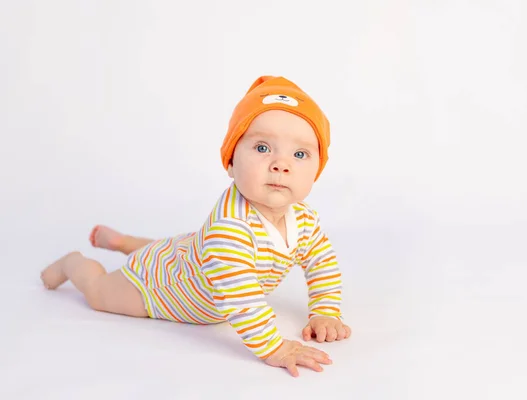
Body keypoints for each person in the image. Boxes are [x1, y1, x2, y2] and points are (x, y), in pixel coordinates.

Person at [41, 75, 351, 377]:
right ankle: (73, 263)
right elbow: (242, 301)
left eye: (300, 154)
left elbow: (321, 261)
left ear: (316, 172)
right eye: (262, 148)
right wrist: (275, 348)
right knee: (99, 294)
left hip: (189, 252)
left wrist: (325, 310)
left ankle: (125, 242)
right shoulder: (229, 230)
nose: (281, 164)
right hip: (161, 284)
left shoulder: (304, 219)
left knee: (184, 247)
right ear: (230, 162)